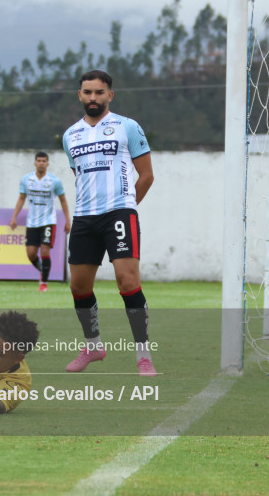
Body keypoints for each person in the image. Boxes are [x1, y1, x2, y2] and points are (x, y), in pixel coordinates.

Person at [61, 70, 156, 376]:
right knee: (78, 286)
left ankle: (143, 355)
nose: (93, 98)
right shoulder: (70, 135)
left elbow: (147, 175)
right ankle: (93, 346)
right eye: (87, 92)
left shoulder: (127, 127)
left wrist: (126, 206)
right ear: (80, 95)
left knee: (127, 281)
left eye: (99, 92)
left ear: (109, 95)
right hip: (84, 218)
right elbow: (81, 177)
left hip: (119, 214)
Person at [9, 151, 71, 292]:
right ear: (35, 163)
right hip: (32, 222)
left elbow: (63, 200)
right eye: (39, 160)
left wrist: (68, 220)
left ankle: (43, 283)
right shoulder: (26, 179)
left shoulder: (54, 181)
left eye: (44, 161)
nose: (41, 163)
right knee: (31, 254)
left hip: (48, 221)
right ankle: (44, 271)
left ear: (48, 163)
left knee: (44, 250)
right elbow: (21, 198)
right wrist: (14, 217)